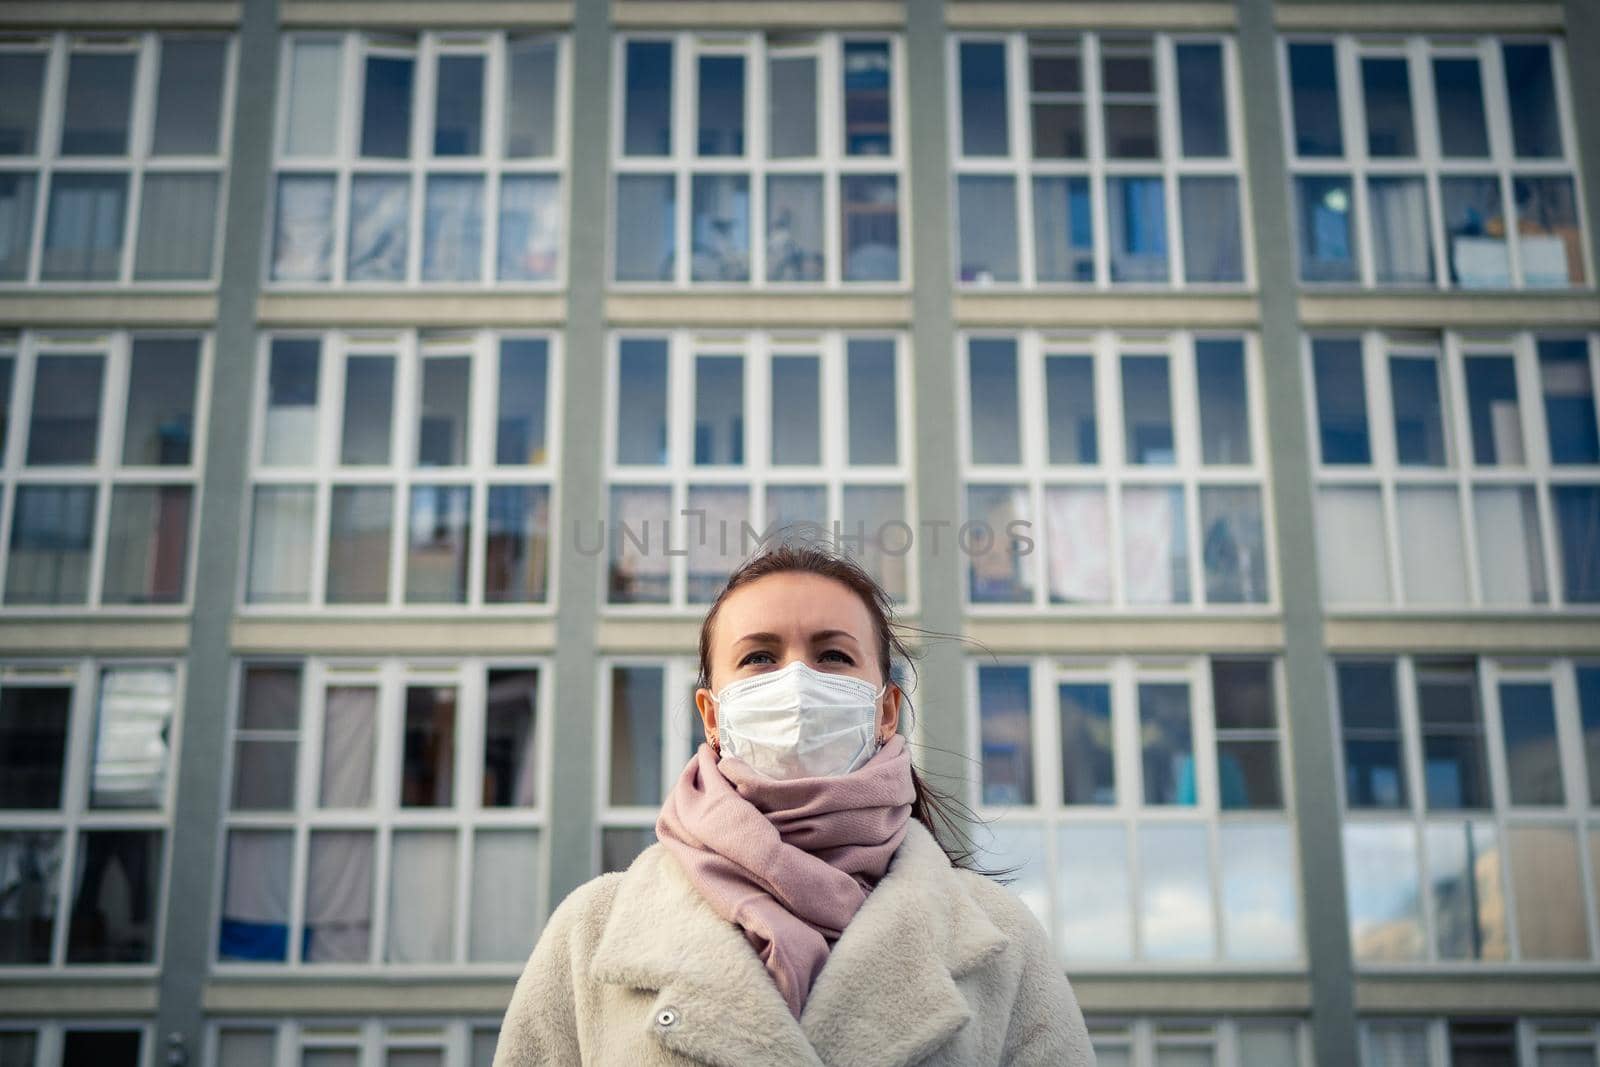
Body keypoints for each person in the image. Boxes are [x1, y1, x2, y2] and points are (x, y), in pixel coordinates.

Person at [494, 540, 1094, 1066]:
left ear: (886, 709)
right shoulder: (590, 932)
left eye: (833, 655)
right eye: (759, 657)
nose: (798, 683)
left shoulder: (1004, 940)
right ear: (712, 716)